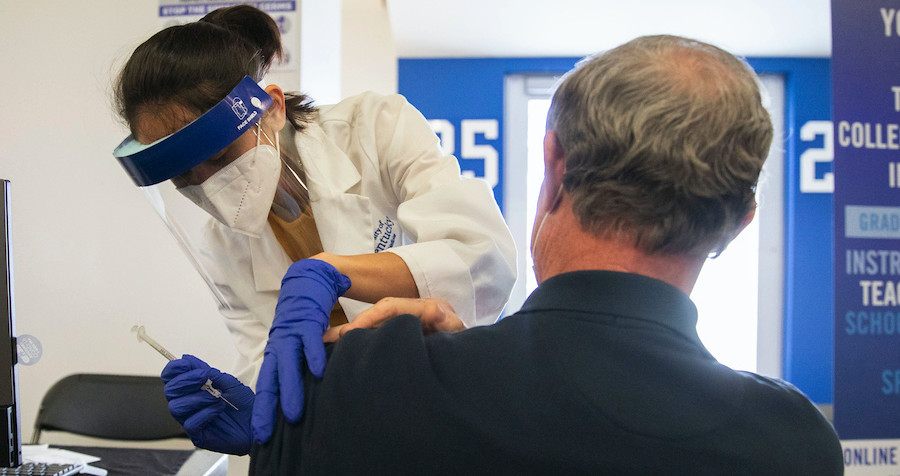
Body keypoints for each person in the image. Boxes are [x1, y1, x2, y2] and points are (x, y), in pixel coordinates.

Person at [165, 34, 845, 474]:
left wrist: (281, 435)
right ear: (738, 223)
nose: (207, 187)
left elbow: (479, 266)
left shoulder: (365, 386)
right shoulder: (793, 446)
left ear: (552, 167)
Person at [111, 5, 516, 451]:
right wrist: (256, 412)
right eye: (185, 176)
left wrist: (332, 271)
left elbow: (482, 256)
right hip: (345, 432)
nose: (210, 184)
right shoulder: (220, 246)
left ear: (272, 110)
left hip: (445, 401)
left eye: (221, 156)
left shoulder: (376, 129)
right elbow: (266, 367)